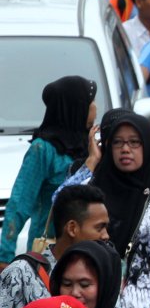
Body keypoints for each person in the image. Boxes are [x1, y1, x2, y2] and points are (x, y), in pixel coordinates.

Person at [56, 110, 150, 308]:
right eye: (118, 143)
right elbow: (60, 209)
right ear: (108, 146)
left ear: (146, 145)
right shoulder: (90, 190)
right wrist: (92, 161)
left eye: (134, 142)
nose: (125, 149)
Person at [0, 76, 96, 265]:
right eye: (90, 101)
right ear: (75, 106)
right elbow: (20, 203)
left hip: (89, 252)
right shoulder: (43, 149)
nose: (95, 107)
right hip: (50, 254)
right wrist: (4, 256)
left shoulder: (91, 145)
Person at [0, 183, 108, 308]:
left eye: (84, 284)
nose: (106, 235)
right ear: (72, 228)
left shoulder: (103, 273)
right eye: (99, 228)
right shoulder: (21, 273)